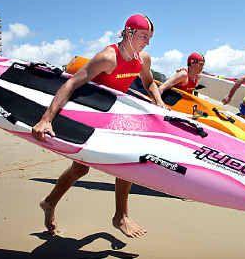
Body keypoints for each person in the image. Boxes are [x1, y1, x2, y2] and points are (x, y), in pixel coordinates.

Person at [32, 14, 165, 238]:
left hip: (111, 116)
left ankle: (118, 215)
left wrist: (159, 102)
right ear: (129, 32)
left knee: (127, 159)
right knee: (80, 168)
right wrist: (46, 119)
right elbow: (72, 83)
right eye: (144, 36)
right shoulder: (108, 57)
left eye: (150, 38)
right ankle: (51, 203)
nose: (147, 42)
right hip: (89, 113)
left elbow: (149, 82)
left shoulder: (143, 59)